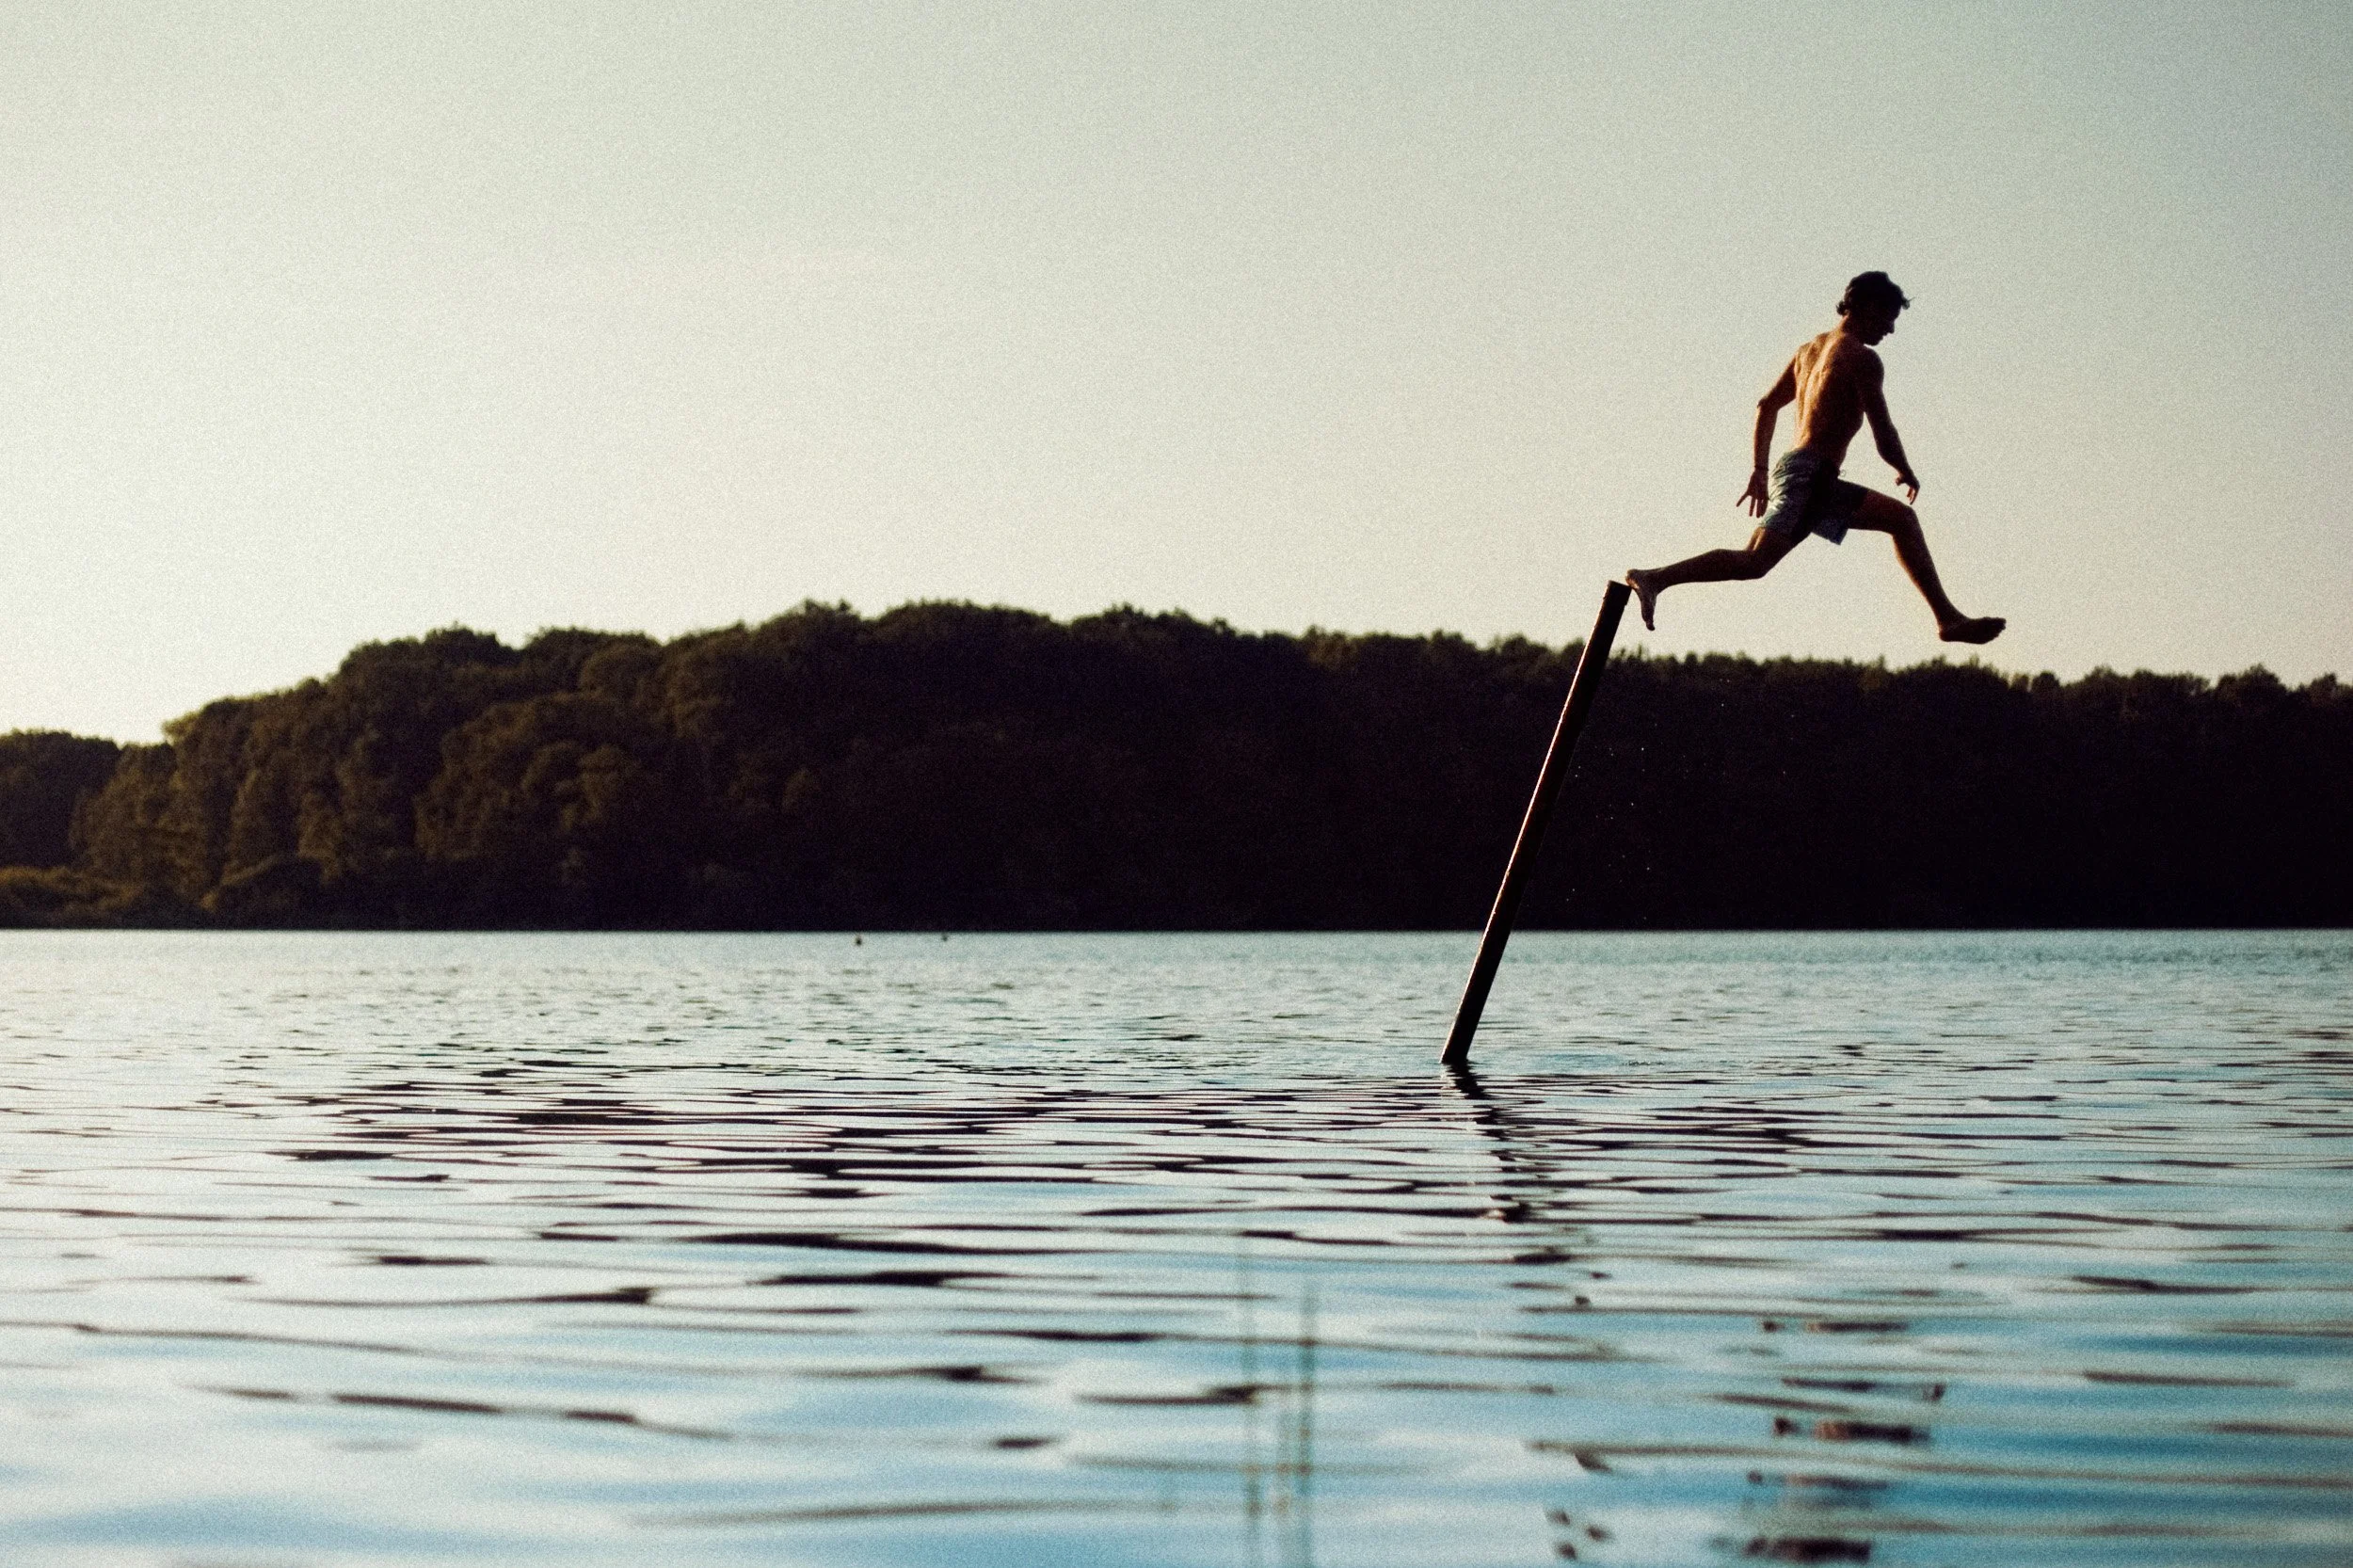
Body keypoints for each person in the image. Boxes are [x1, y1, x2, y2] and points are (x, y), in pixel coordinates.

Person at [1625, 272, 2004, 645]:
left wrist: (1759, 469)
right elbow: (1882, 430)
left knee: (1893, 523)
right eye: (1888, 318)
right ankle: (1656, 577)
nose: (1890, 330)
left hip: (1793, 471)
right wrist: (1903, 468)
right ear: (1866, 307)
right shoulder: (1862, 359)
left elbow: (1766, 406)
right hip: (1811, 477)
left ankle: (1947, 619)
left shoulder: (1808, 351)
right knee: (1758, 560)